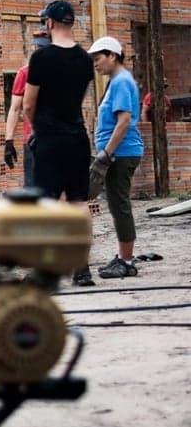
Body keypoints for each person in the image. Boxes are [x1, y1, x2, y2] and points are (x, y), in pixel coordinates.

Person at [21, 0, 96, 287]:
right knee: (78, 202)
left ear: (49, 23)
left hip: (50, 139)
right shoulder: (85, 59)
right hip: (78, 138)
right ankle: (82, 268)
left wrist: (36, 129)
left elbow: (29, 104)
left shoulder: (41, 59)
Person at [86, 36, 144, 279]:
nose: (96, 65)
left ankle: (127, 261)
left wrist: (106, 154)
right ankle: (122, 256)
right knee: (116, 203)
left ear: (112, 55)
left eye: (98, 59)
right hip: (119, 153)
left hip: (121, 153)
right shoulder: (116, 81)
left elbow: (124, 121)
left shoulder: (120, 82)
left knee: (120, 205)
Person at [4, 28, 51, 186]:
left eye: (41, 49)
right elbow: (15, 108)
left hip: (56, 138)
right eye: (35, 48)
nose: (37, 51)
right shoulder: (25, 73)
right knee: (33, 189)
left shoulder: (59, 71)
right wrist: (9, 141)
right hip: (33, 140)